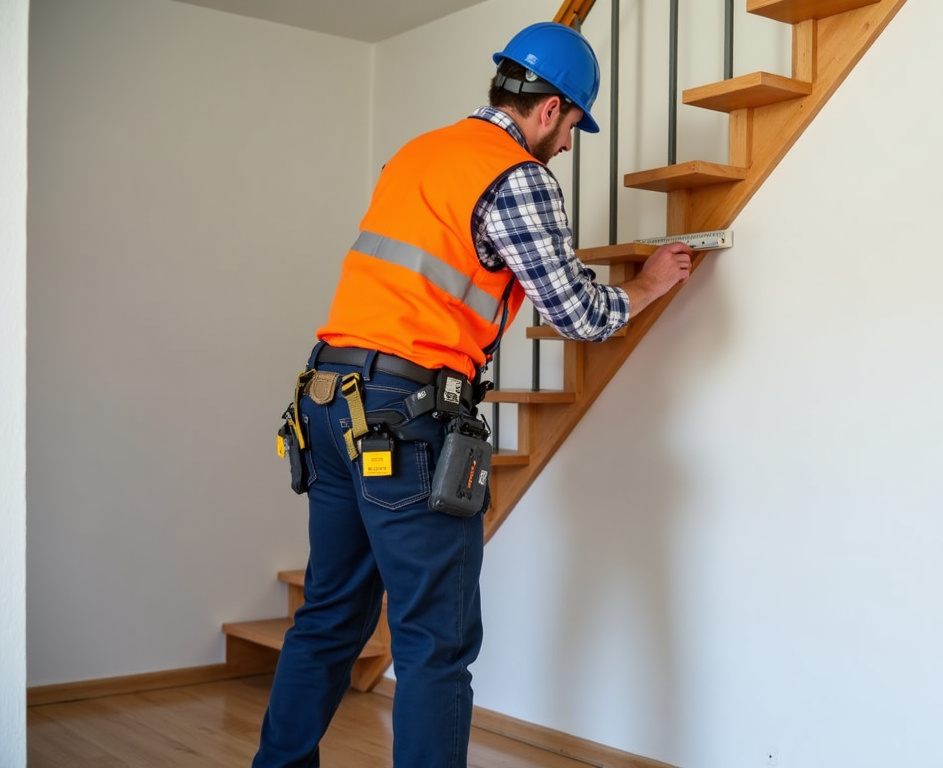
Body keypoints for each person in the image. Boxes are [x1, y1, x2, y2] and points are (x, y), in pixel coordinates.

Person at [252, 21, 693, 768]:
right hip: (403, 416)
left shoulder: (418, 153)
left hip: (328, 401)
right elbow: (577, 314)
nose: (570, 143)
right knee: (434, 641)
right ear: (549, 109)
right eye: (575, 125)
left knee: (328, 615)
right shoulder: (516, 177)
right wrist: (647, 286)